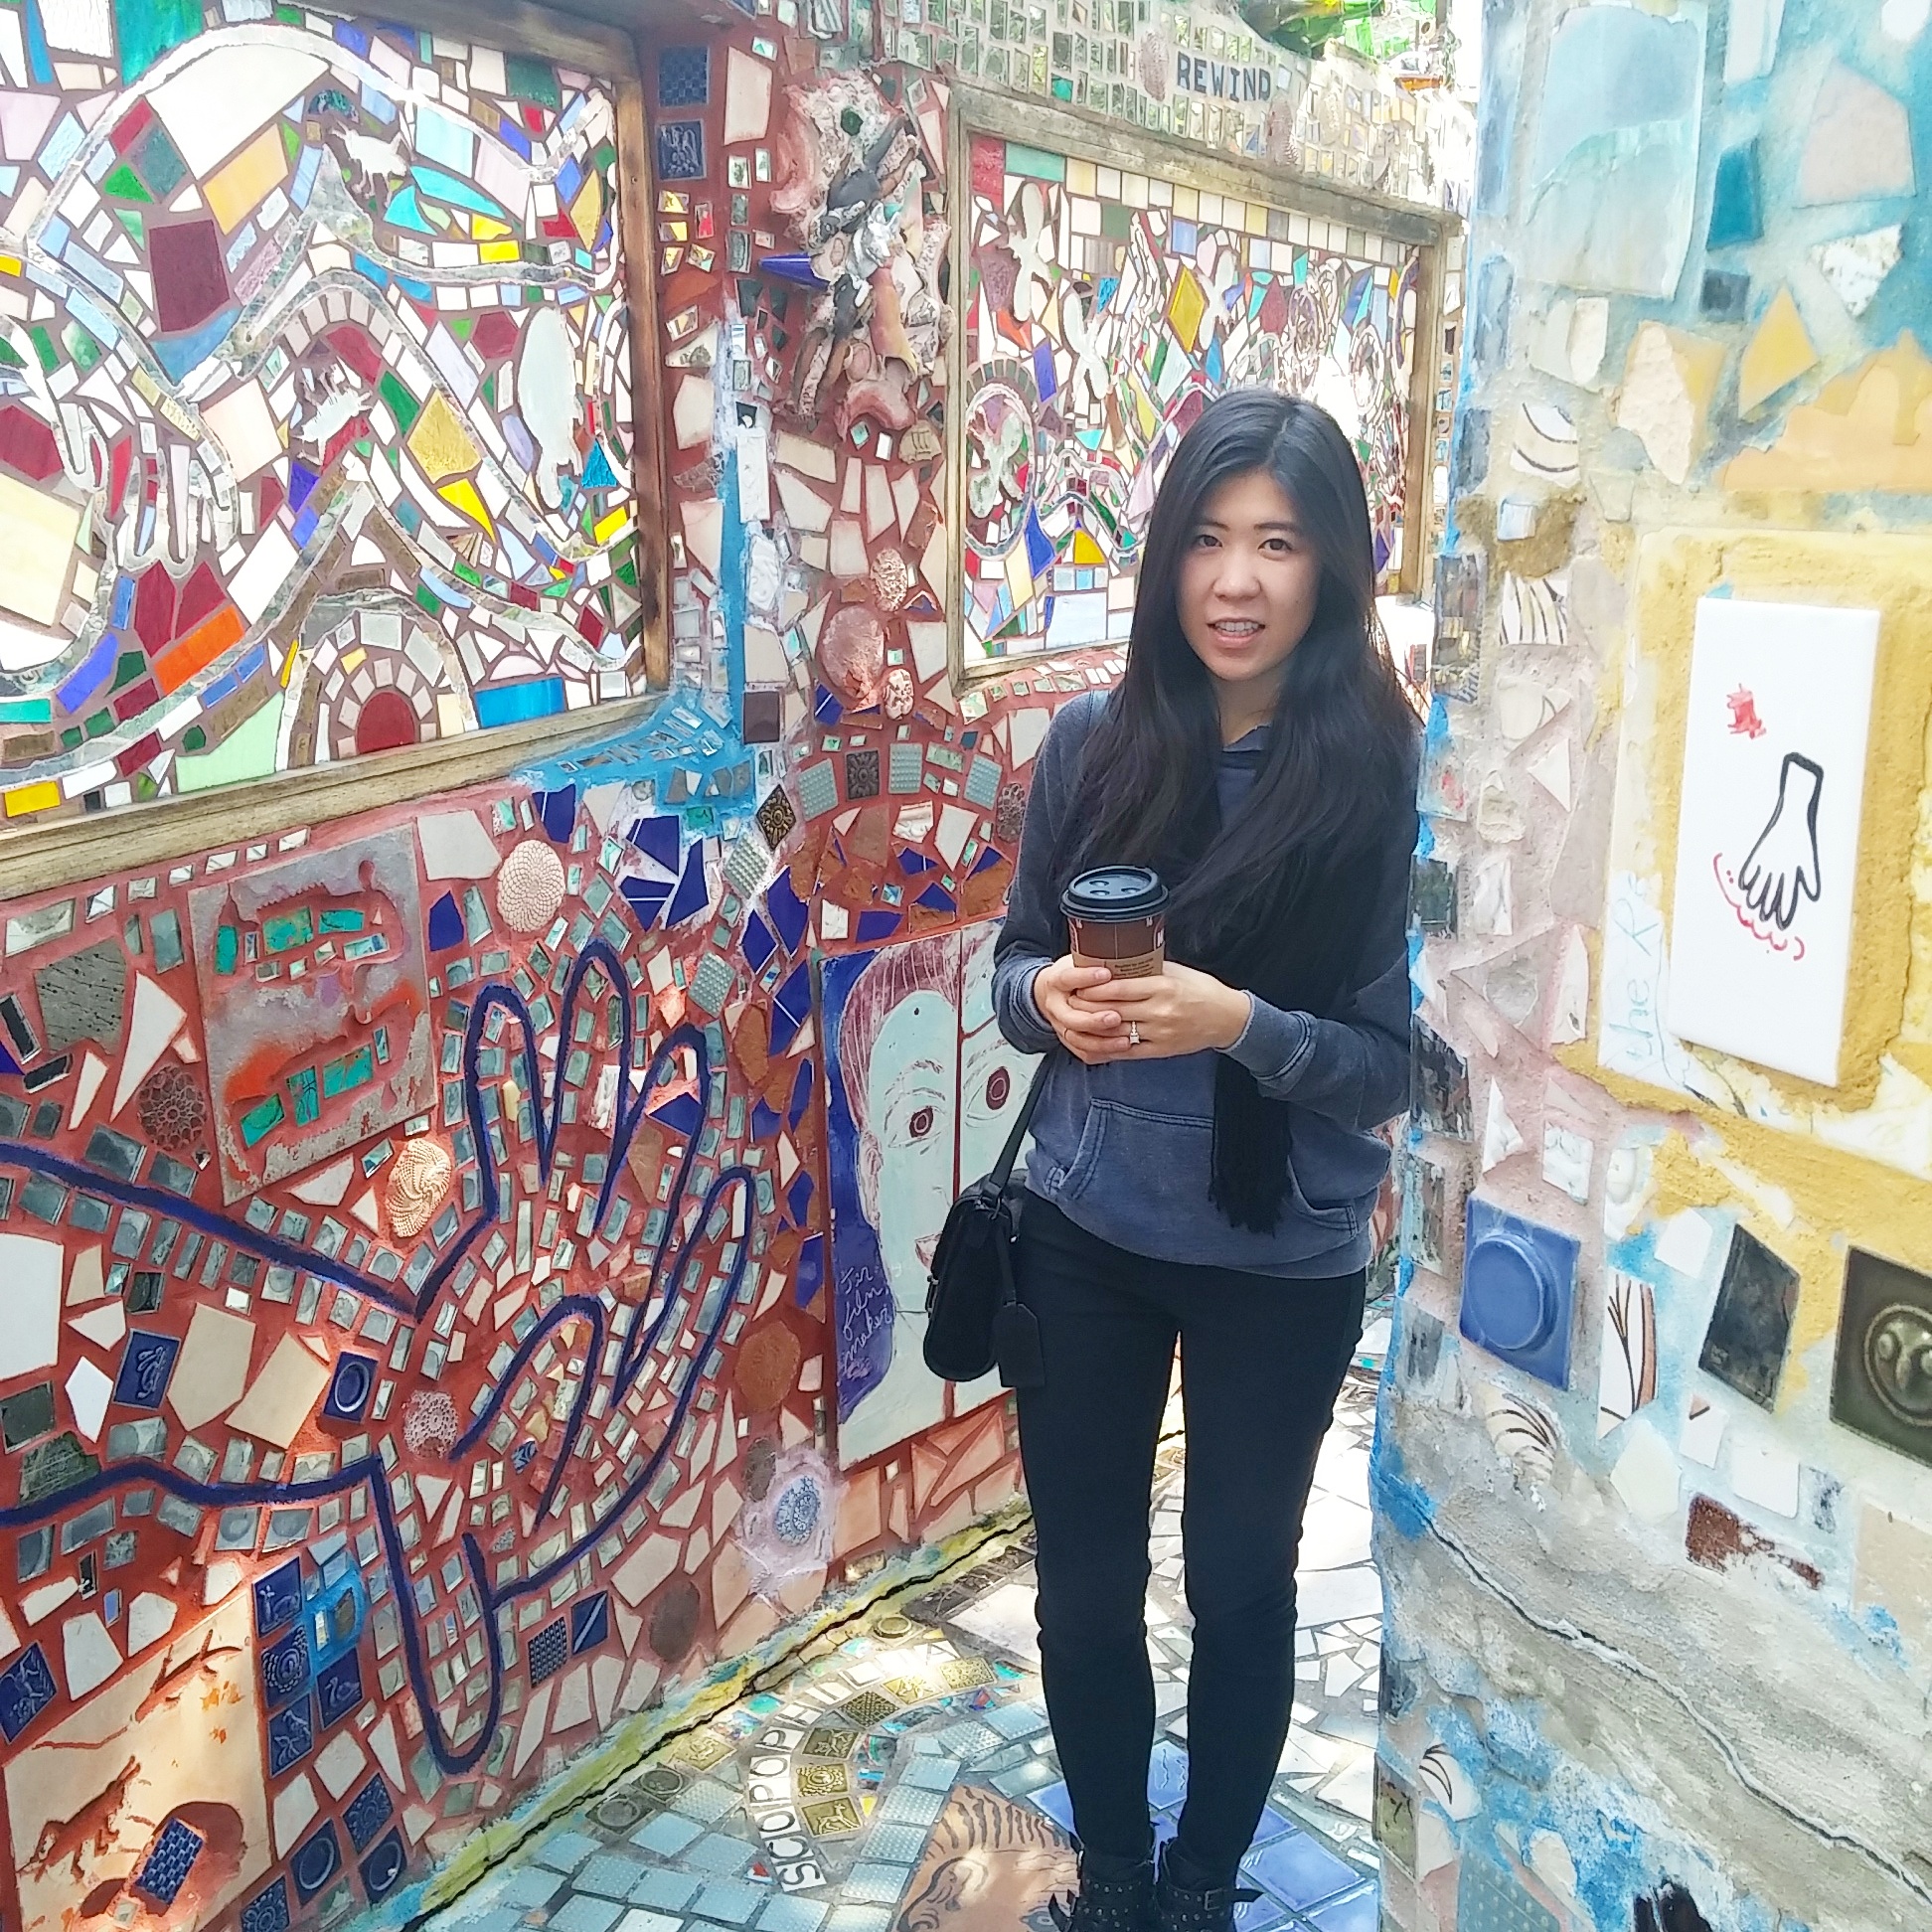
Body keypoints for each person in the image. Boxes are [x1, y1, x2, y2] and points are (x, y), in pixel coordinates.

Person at [993, 390, 1418, 1932]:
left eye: (1279, 544)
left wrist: (1239, 1024)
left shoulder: (1383, 780)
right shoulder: (1095, 746)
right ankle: (1113, 1871)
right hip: (1086, 1232)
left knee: (1239, 1581)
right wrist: (1041, 998)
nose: (1236, 581)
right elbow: (1013, 965)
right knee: (1082, 1587)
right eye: (1210, 540)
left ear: (1333, 568)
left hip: (1280, 1251)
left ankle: (1197, 1887)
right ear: (1170, 556)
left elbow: (1391, 1066)